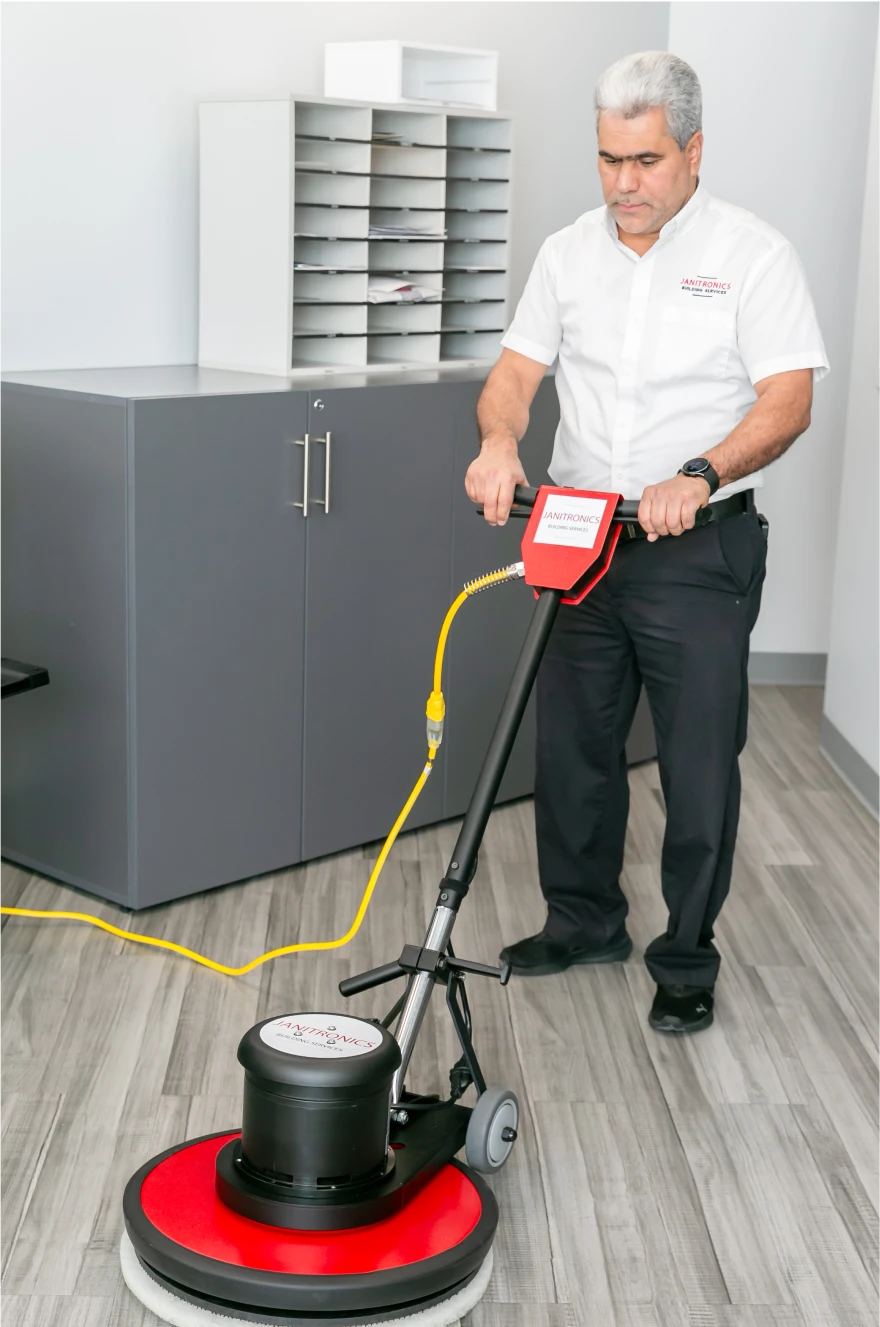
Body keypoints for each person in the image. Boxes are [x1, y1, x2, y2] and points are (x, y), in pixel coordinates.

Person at [466, 51, 828, 1034]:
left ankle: (685, 956)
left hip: (695, 549)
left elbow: (788, 400)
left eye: (646, 161)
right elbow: (513, 373)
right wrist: (501, 441)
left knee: (696, 761)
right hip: (582, 538)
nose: (623, 183)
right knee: (573, 744)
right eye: (607, 159)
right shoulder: (567, 253)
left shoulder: (752, 255)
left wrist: (701, 473)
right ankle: (582, 921)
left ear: (692, 149)